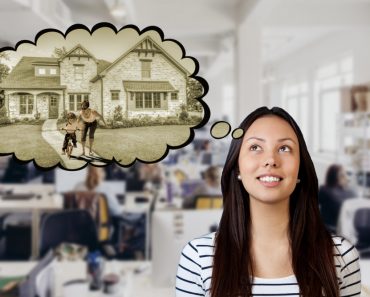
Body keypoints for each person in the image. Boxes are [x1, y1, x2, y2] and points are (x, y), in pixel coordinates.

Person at [176, 107, 361, 297]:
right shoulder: (198, 258)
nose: (270, 160)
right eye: (255, 147)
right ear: (238, 167)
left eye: (284, 148)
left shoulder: (341, 255)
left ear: (300, 169)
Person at [318, 164, 356, 233]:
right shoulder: (326, 191)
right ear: (334, 177)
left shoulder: (350, 191)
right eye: (342, 175)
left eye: (345, 174)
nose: (346, 178)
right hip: (330, 229)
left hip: (343, 230)